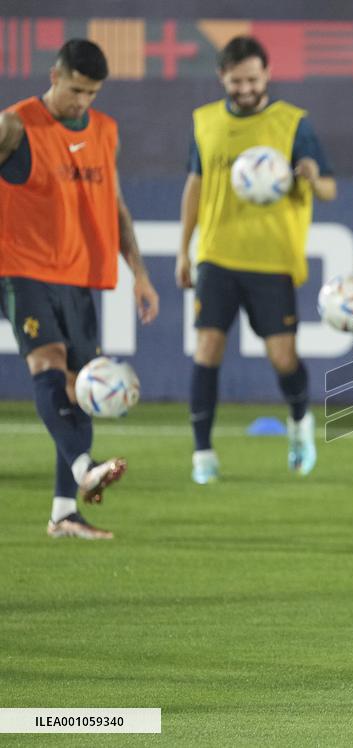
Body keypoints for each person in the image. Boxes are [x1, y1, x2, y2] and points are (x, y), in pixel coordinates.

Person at [0, 39, 160, 539]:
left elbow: (115, 207)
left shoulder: (105, 132)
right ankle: (83, 469)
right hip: (21, 269)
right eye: (75, 90)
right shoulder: (15, 125)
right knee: (47, 361)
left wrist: (140, 273)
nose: (82, 102)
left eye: (91, 93)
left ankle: (64, 513)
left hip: (77, 276)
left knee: (82, 386)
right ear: (54, 75)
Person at [176, 36, 336, 484]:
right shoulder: (205, 122)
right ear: (221, 78)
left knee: (283, 357)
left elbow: (328, 189)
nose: (244, 87)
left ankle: (300, 421)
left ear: (266, 75)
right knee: (207, 349)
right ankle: (202, 455)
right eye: (235, 80)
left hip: (272, 259)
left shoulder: (292, 124)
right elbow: (195, 185)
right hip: (217, 255)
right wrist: (183, 249)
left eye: (252, 78)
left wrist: (310, 176)